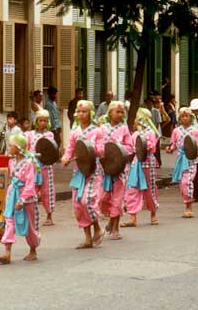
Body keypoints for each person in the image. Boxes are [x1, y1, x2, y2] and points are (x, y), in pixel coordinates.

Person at [0, 133, 40, 264]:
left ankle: (33, 249)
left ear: (18, 147)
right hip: (13, 194)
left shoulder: (28, 164)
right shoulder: (12, 161)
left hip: (26, 198)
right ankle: (7, 252)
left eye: (11, 146)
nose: (9, 148)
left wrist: (22, 200)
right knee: (9, 221)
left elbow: (30, 184)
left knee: (29, 225)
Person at [61, 100, 104, 249]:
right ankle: (87, 237)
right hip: (79, 171)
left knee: (88, 201)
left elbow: (101, 151)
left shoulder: (97, 131)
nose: (81, 114)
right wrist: (66, 158)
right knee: (78, 204)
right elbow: (69, 150)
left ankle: (97, 227)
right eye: (79, 112)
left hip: (93, 170)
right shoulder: (74, 132)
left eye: (84, 111)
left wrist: (89, 150)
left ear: (90, 113)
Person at [98, 101, 133, 240]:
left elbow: (130, 147)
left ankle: (115, 227)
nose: (119, 114)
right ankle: (111, 220)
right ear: (110, 112)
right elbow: (98, 146)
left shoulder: (124, 129)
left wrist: (119, 149)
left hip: (120, 169)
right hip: (104, 168)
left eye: (121, 112)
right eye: (117, 111)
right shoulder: (102, 128)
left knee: (117, 198)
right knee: (104, 197)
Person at [122, 108, 161, 228]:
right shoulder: (135, 134)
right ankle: (132, 216)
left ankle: (153, 213)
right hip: (136, 163)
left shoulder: (150, 133)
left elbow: (151, 147)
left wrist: (141, 145)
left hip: (148, 162)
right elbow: (129, 148)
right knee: (133, 188)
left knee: (150, 188)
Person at [167, 107, 198, 218]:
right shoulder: (176, 131)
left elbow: (197, 145)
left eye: (186, 115)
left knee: (186, 182)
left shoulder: (195, 131)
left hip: (191, 159)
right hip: (180, 159)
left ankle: (189, 206)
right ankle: (186, 202)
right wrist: (170, 149)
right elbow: (173, 144)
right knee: (181, 183)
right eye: (182, 116)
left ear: (191, 118)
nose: (184, 118)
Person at [27, 109, 56, 226]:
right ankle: (31, 215)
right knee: (32, 190)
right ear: (36, 121)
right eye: (40, 120)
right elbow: (27, 149)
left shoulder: (49, 134)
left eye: (45, 121)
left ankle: (49, 215)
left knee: (47, 191)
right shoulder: (29, 135)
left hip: (46, 166)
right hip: (33, 166)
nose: (43, 123)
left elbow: (51, 150)